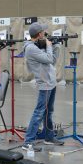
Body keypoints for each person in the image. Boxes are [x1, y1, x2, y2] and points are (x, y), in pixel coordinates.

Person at [22, 22, 64, 151]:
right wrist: (49, 46)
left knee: (48, 112)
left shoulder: (37, 46)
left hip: (50, 82)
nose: (45, 34)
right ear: (39, 34)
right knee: (39, 113)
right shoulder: (31, 48)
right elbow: (49, 59)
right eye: (43, 32)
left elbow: (53, 60)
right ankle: (28, 142)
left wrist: (55, 46)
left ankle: (49, 136)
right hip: (44, 84)